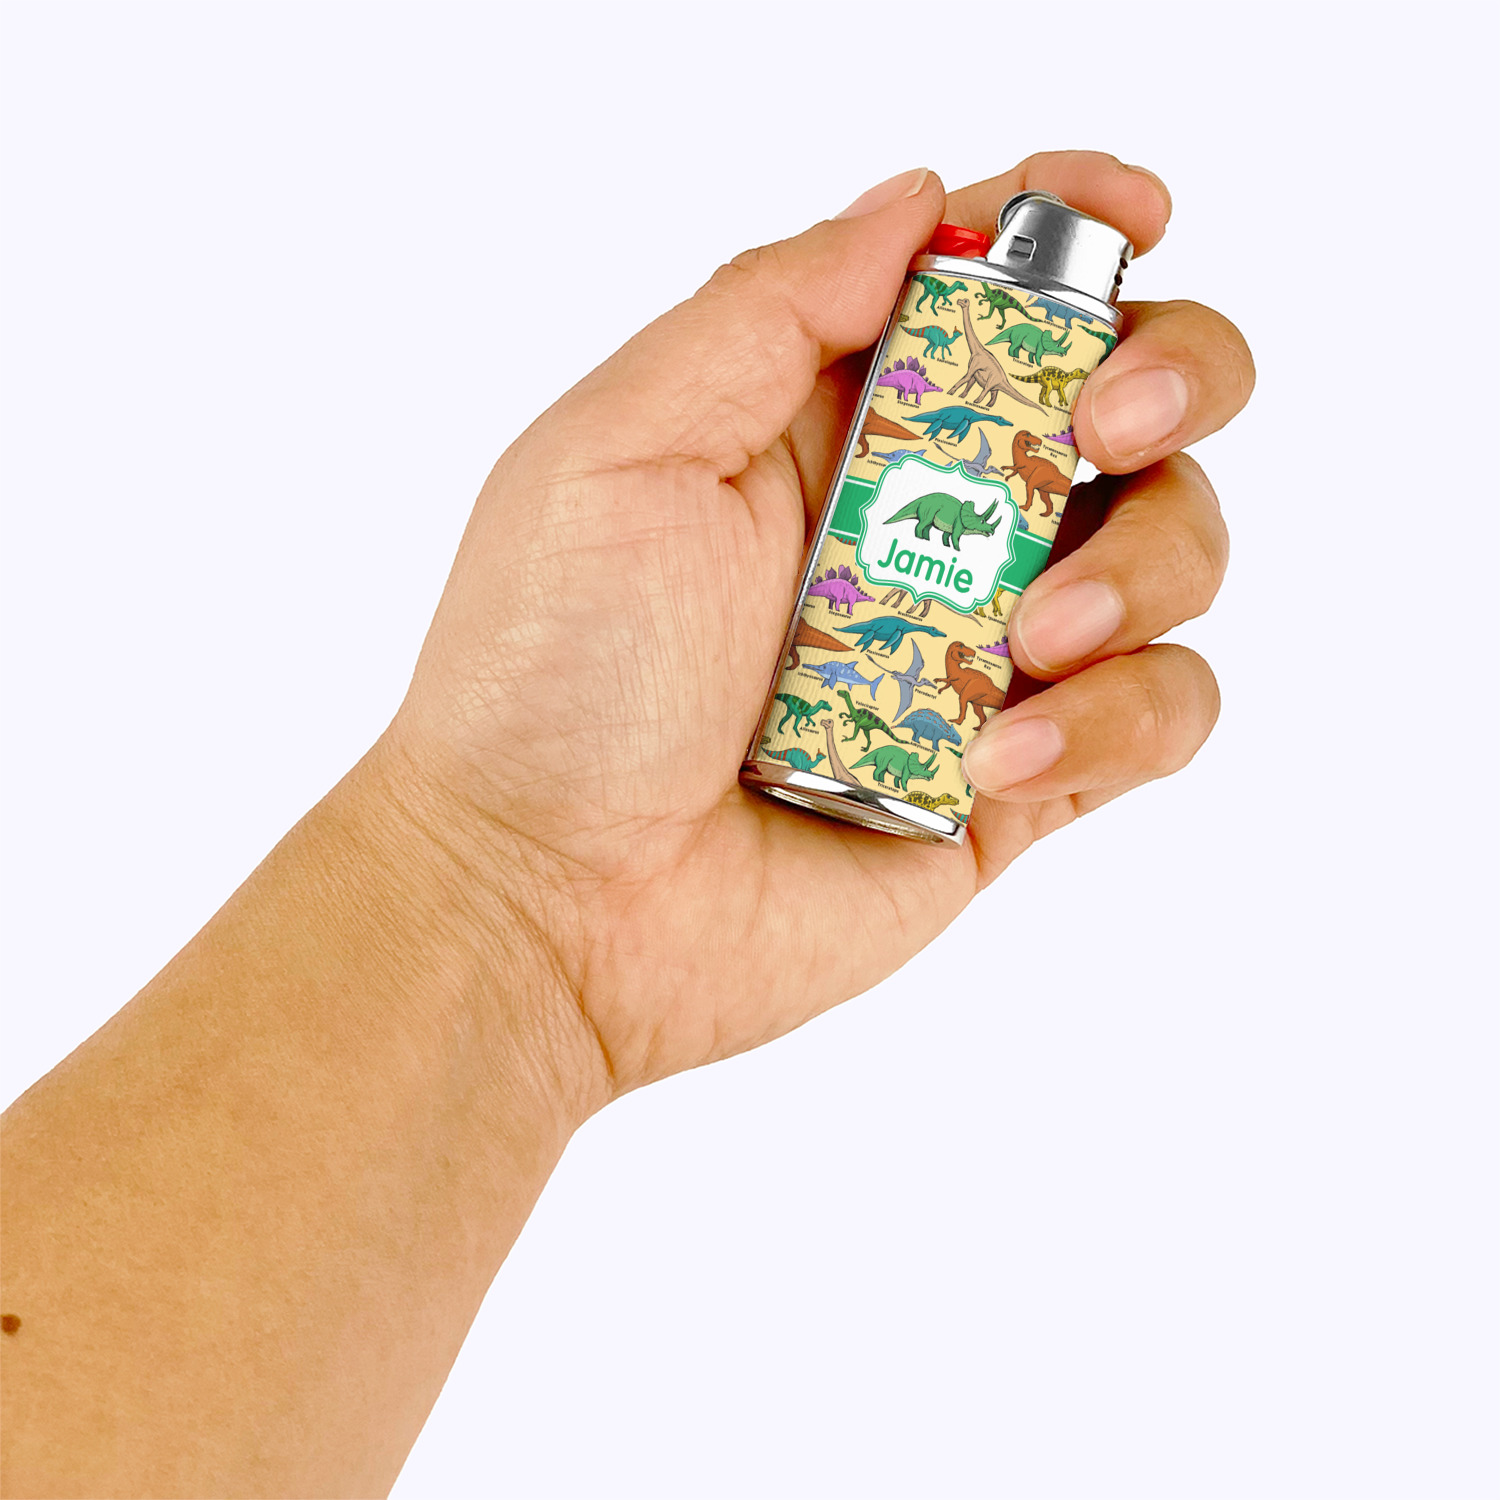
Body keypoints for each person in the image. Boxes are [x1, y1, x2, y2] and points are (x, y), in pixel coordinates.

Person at [0, 153, 1252, 1497]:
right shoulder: (941, 312)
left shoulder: (1021, 338)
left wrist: (513, 904)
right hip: (804, 752)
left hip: (880, 769)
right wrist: (502, 872)